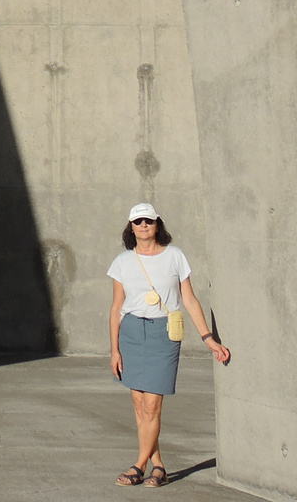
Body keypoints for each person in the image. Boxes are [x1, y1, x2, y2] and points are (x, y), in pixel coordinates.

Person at [107, 202, 230, 487]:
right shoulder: (122, 262)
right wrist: (114, 350)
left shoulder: (175, 256)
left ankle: (138, 465)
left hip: (164, 332)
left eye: (148, 221)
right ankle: (158, 465)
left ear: (157, 224)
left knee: (152, 405)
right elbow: (116, 308)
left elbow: (188, 299)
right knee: (139, 404)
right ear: (131, 227)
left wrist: (208, 338)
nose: (143, 226)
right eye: (137, 222)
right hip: (132, 333)